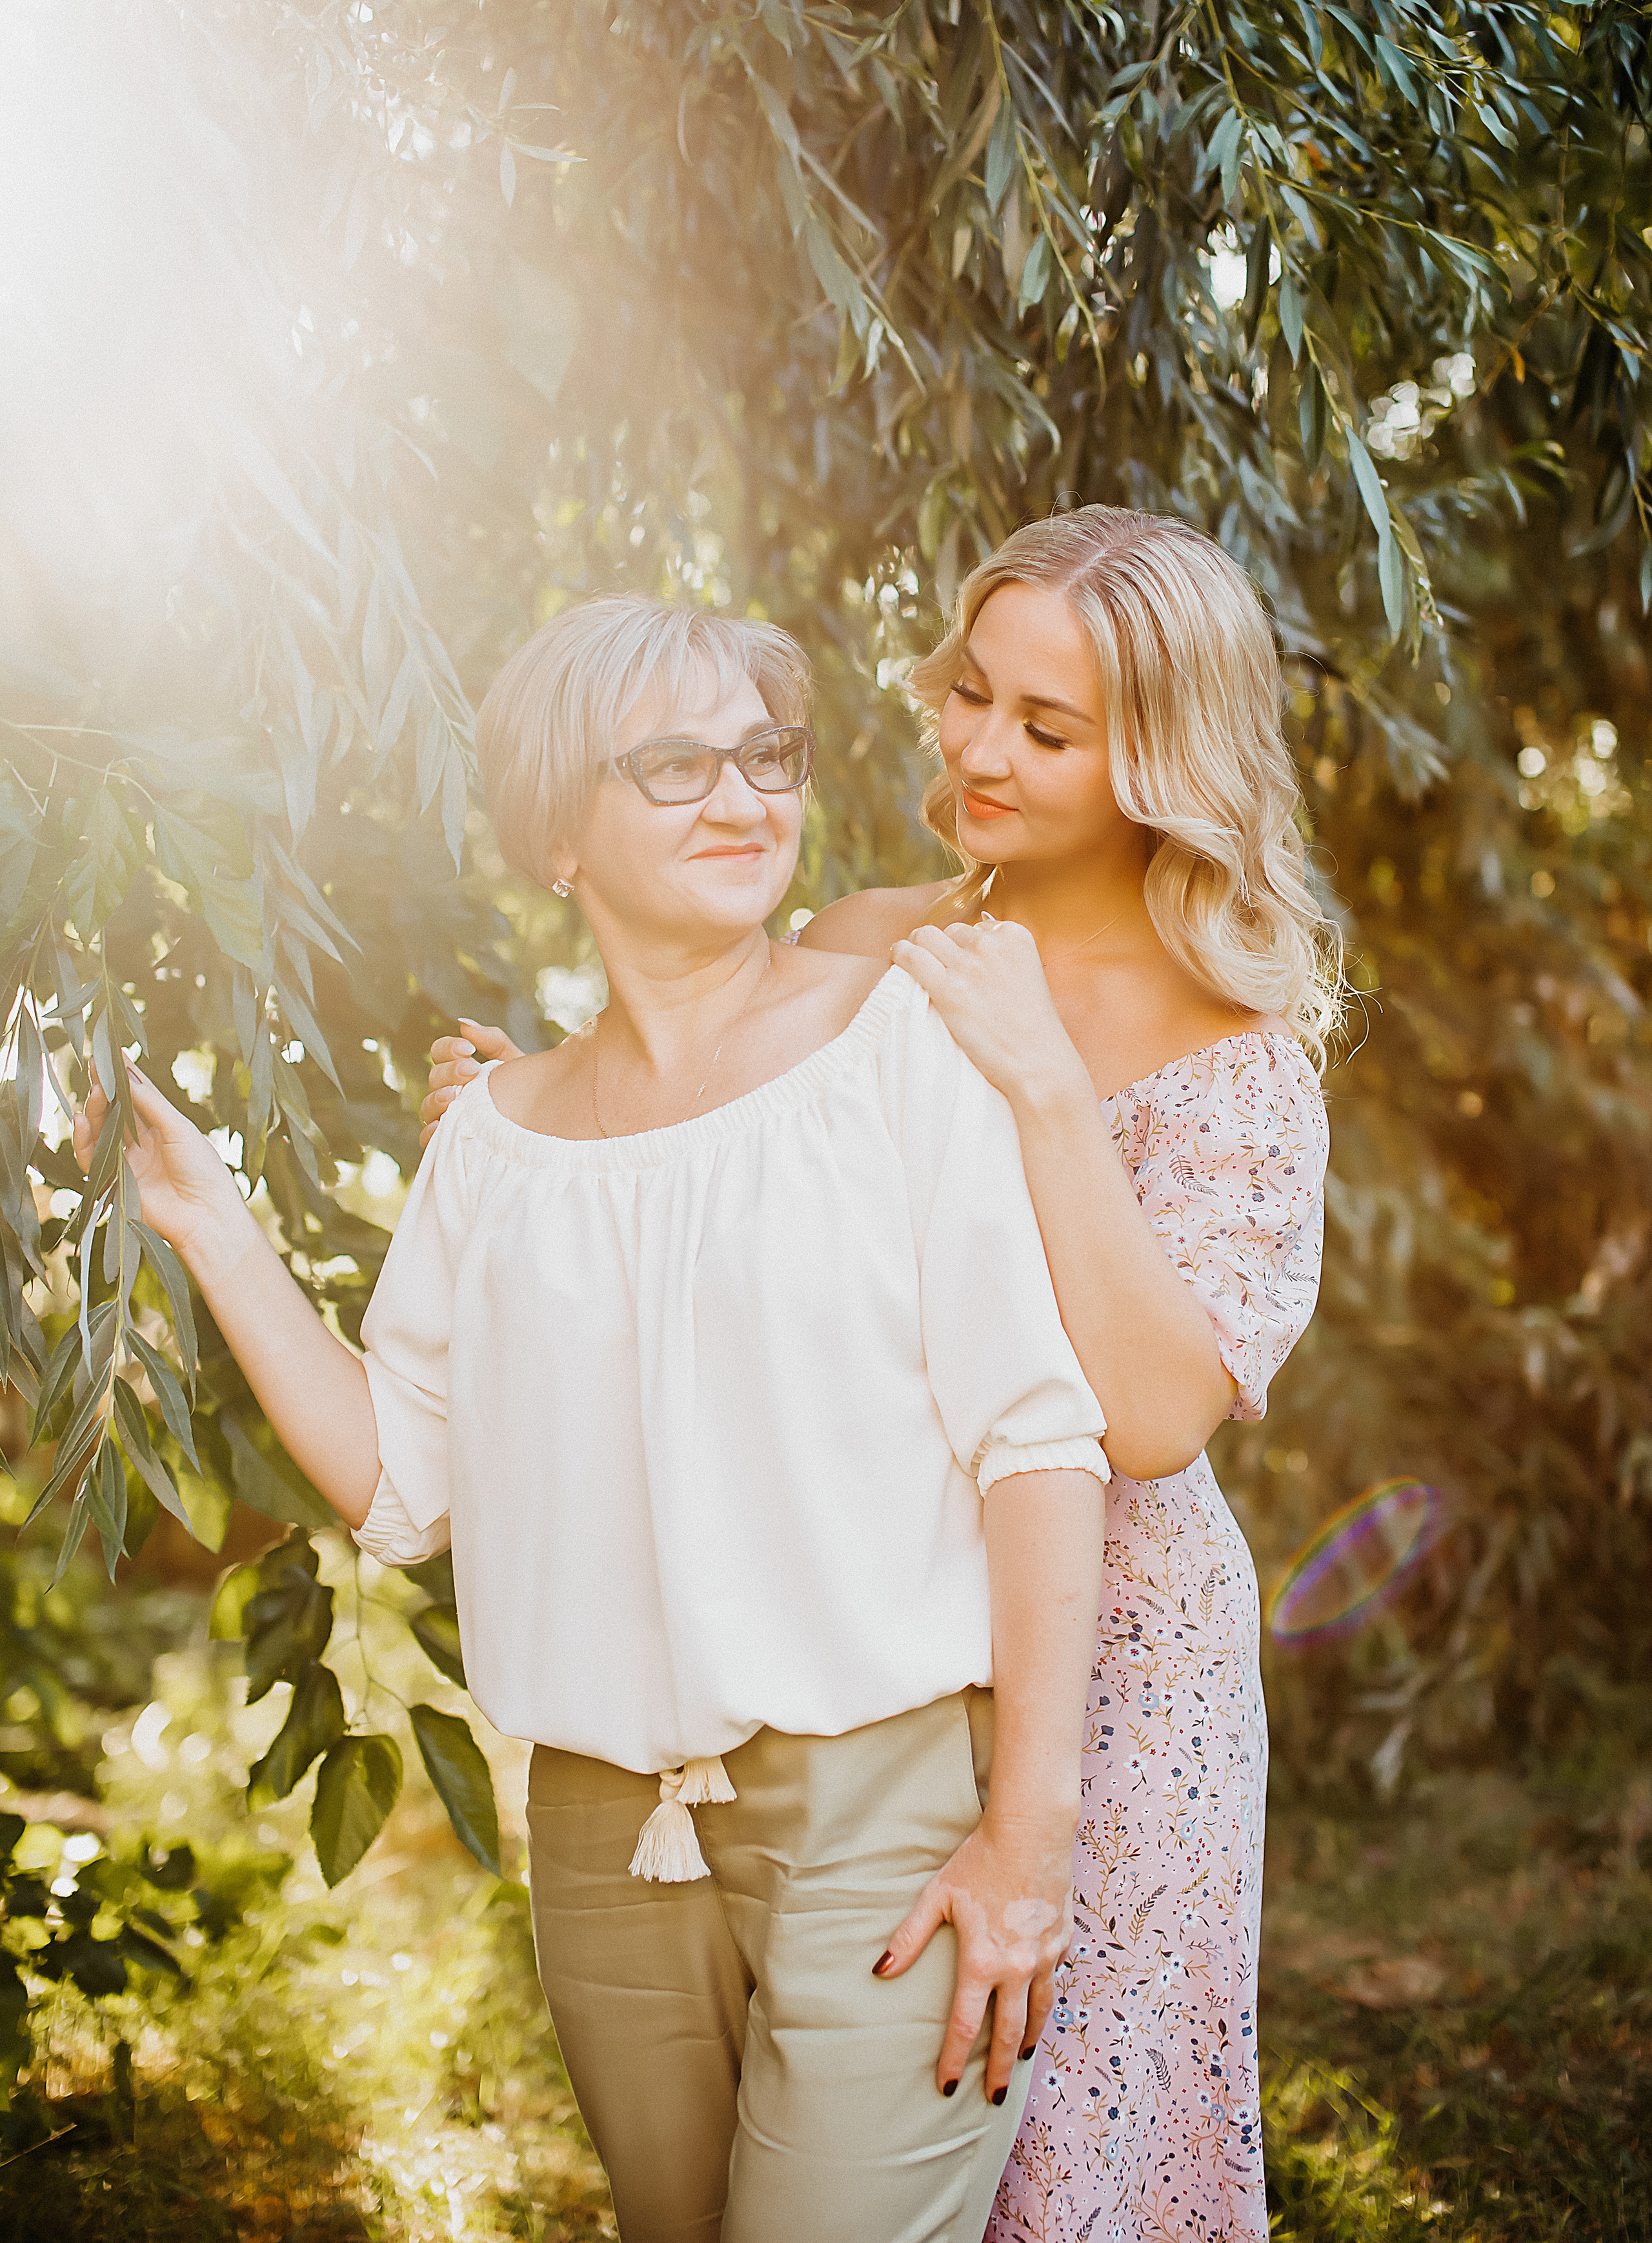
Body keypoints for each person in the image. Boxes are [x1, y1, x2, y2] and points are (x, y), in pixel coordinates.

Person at [78, 594, 1116, 2243]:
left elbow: (1038, 1441)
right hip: (599, 1833)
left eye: (765, 755)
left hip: (881, 1820)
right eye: (675, 764)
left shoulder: (905, 1047)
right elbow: (399, 1480)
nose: (743, 798)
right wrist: (208, 1222)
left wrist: (1028, 1836)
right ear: (559, 829)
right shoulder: (492, 1140)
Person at [425, 510, 1335, 2242]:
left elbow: (1151, 1420)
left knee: (1057, 2149)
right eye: (968, 694)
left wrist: (1048, 1088)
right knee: (839, 2141)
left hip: (1115, 1680)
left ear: (1159, 761)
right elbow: (701, 1169)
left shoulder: (1236, 1054)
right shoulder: (863, 934)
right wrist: (522, 1110)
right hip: (856, 1649)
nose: (981, 750)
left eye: (1047, 731)